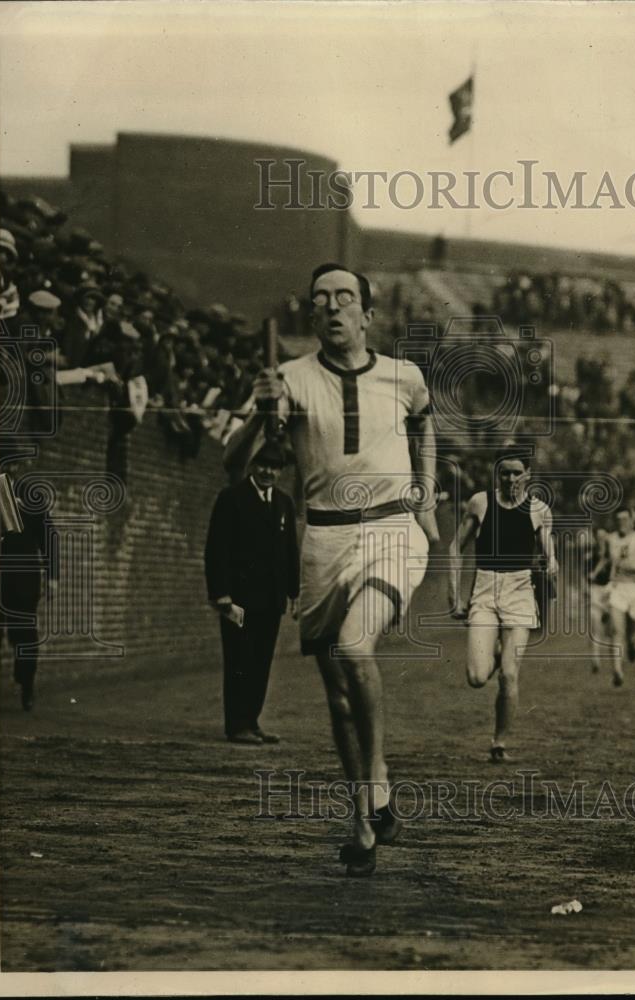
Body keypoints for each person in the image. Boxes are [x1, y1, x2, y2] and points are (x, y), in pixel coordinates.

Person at [223, 263, 439, 877]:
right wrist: (264, 418)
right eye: (322, 299)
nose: (334, 307)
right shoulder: (286, 380)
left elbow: (426, 425)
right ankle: (364, 814)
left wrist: (425, 498)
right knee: (339, 699)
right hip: (322, 540)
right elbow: (231, 465)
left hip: (392, 529)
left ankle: (374, 785)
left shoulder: (405, 377)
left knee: (353, 646)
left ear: (368, 315)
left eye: (346, 297)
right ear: (312, 316)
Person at [447, 447, 557, 763]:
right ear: (498, 475)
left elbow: (550, 556)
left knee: (509, 675)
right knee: (477, 677)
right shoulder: (481, 503)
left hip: (520, 591)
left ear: (527, 475)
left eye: (516, 472)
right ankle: (495, 653)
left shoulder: (539, 510)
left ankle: (499, 743)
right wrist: (455, 596)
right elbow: (456, 547)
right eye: (504, 472)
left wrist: (552, 569)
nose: (510, 478)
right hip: (485, 588)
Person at [204, 440, 300, 745]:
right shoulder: (231, 498)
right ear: (251, 465)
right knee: (239, 659)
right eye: (262, 465)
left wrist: (294, 592)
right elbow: (217, 549)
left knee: (261, 661)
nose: (268, 471)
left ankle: (253, 721)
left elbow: (290, 551)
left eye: (275, 466)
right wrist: (222, 595)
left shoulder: (284, 503)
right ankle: (237, 725)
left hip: (271, 600)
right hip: (240, 600)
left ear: (281, 471)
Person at [0, 461, 58, 711]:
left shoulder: (30, 493)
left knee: (24, 633)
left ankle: (26, 684)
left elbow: (48, 536)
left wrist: (52, 576)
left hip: (23, 577)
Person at [600, 507, 635, 687]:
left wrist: (632, 567)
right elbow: (605, 561)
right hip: (618, 588)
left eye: (625, 520)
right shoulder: (611, 539)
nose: (622, 524)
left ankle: (632, 644)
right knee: (616, 630)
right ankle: (617, 670)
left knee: (631, 629)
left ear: (633, 520)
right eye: (618, 520)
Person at [587, 527, 612, 675]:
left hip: (610, 591)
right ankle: (595, 659)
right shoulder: (590, 556)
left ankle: (613, 659)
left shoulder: (613, 556)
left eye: (604, 536)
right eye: (598, 537)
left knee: (610, 629)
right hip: (595, 590)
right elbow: (585, 577)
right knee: (595, 625)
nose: (601, 539)